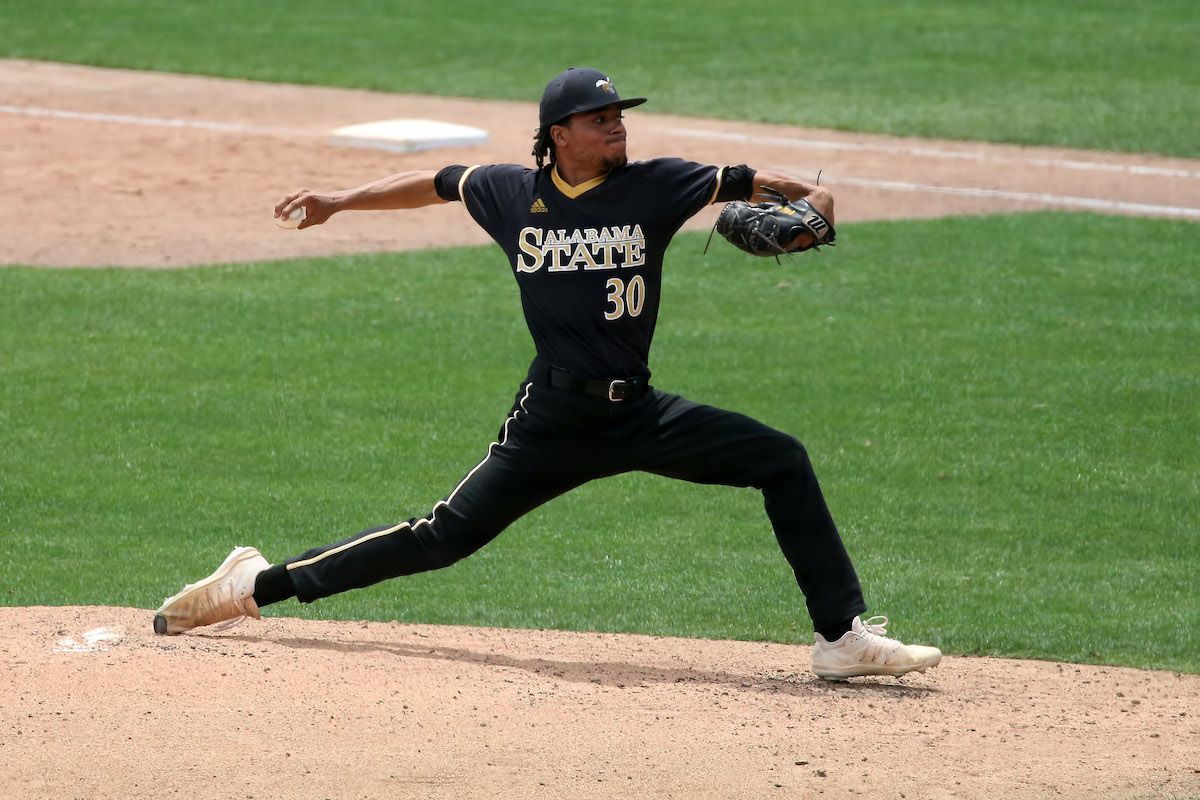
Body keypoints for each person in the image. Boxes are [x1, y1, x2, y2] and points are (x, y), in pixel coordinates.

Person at [154, 67, 941, 680]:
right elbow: (437, 181)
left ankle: (841, 637)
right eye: (602, 120)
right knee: (442, 537)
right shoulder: (512, 193)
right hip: (553, 421)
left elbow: (761, 183)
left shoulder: (658, 184)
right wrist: (337, 201)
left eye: (620, 117)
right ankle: (256, 586)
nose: (617, 128)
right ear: (559, 133)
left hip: (640, 415)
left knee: (781, 458)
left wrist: (821, 197)